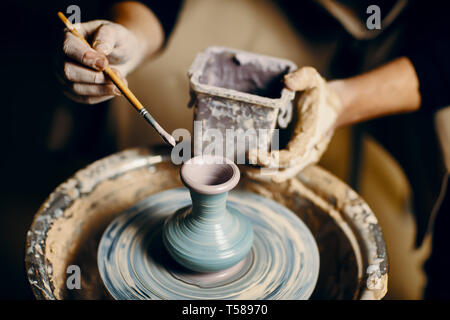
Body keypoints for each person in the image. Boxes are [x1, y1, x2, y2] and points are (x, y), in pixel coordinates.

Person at [58, 0, 450, 298]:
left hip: (412, 30)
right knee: (162, 81)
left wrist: (340, 100)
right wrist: (135, 38)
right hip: (279, 8)